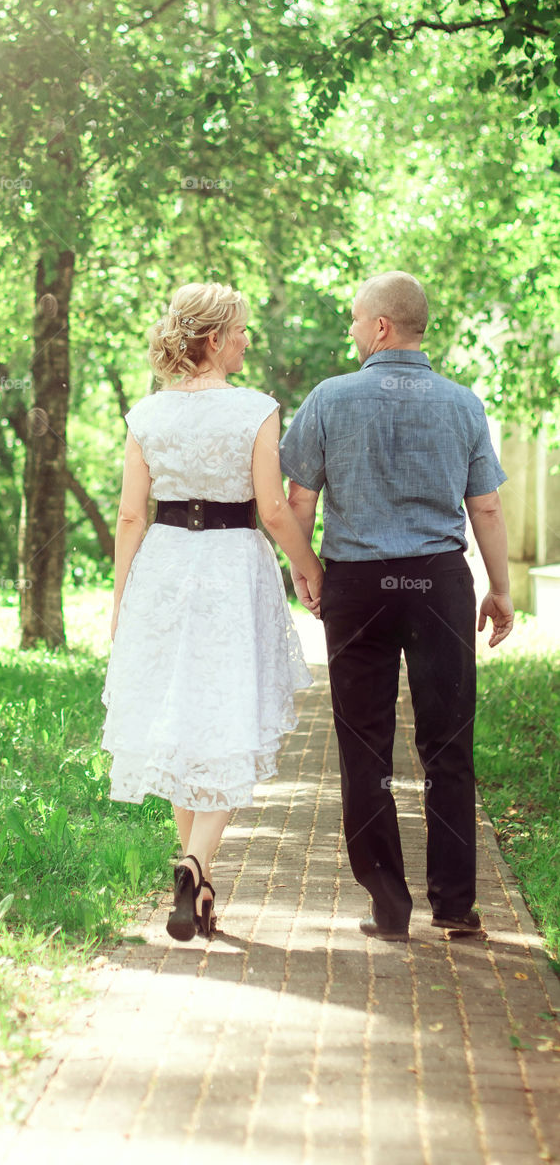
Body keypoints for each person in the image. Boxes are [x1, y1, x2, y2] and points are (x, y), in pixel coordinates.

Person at [279, 271, 515, 942]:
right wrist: (498, 589)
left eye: (355, 321)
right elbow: (487, 507)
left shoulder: (328, 399)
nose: (351, 332)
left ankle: (388, 903)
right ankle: (455, 906)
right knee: (446, 744)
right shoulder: (463, 404)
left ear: (380, 325)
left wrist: (307, 571)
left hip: (357, 585)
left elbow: (299, 501)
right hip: (438, 583)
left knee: (364, 746)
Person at [101, 282, 324, 941]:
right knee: (223, 712)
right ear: (213, 338)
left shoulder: (147, 413)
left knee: (180, 718)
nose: (246, 341)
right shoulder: (255, 409)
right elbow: (274, 507)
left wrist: (121, 600)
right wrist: (306, 566)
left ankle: (193, 881)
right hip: (231, 563)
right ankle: (195, 865)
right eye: (240, 331)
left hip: (165, 566)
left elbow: (129, 515)